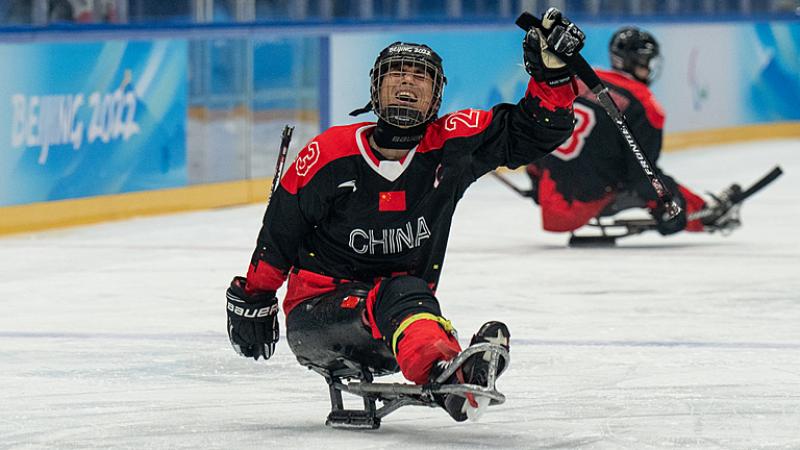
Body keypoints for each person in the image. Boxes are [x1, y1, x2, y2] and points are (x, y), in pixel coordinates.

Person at [225, 9, 585, 422]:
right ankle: (450, 378)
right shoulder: (329, 154)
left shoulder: (453, 146)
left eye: (420, 76)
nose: (407, 82)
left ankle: (453, 373)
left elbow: (533, 131)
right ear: (376, 89)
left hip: (396, 320)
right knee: (401, 293)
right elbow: (280, 234)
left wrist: (552, 77)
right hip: (318, 319)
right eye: (396, 74)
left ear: (436, 95)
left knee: (405, 297)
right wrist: (254, 296)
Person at [524, 27, 742, 237]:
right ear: (635, 62)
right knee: (656, 183)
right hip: (583, 204)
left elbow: (536, 132)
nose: (649, 67)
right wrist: (670, 208)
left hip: (549, 191)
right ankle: (707, 214)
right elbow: (643, 176)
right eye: (647, 61)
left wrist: (537, 182)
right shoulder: (644, 104)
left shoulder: (579, 80)